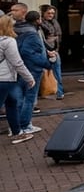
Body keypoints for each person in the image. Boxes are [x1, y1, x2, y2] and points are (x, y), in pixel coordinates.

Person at [13, 7, 53, 135]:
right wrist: (47, 63)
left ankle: (16, 126)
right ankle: (25, 125)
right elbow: (29, 52)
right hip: (32, 69)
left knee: (19, 98)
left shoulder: (17, 29)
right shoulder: (32, 33)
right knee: (29, 98)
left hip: (19, 68)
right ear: (37, 20)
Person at [0, 15, 37, 144]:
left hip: (4, 79)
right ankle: (17, 133)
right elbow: (17, 62)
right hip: (4, 78)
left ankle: (17, 132)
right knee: (10, 104)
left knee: (12, 103)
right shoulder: (9, 41)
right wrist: (29, 78)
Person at [38, 4, 66, 99]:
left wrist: (55, 48)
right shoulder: (40, 24)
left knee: (57, 72)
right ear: (43, 13)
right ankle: (44, 91)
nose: (51, 15)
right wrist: (47, 50)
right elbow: (41, 39)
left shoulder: (55, 22)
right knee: (42, 73)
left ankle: (59, 92)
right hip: (45, 50)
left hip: (55, 50)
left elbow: (58, 36)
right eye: (48, 13)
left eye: (52, 13)